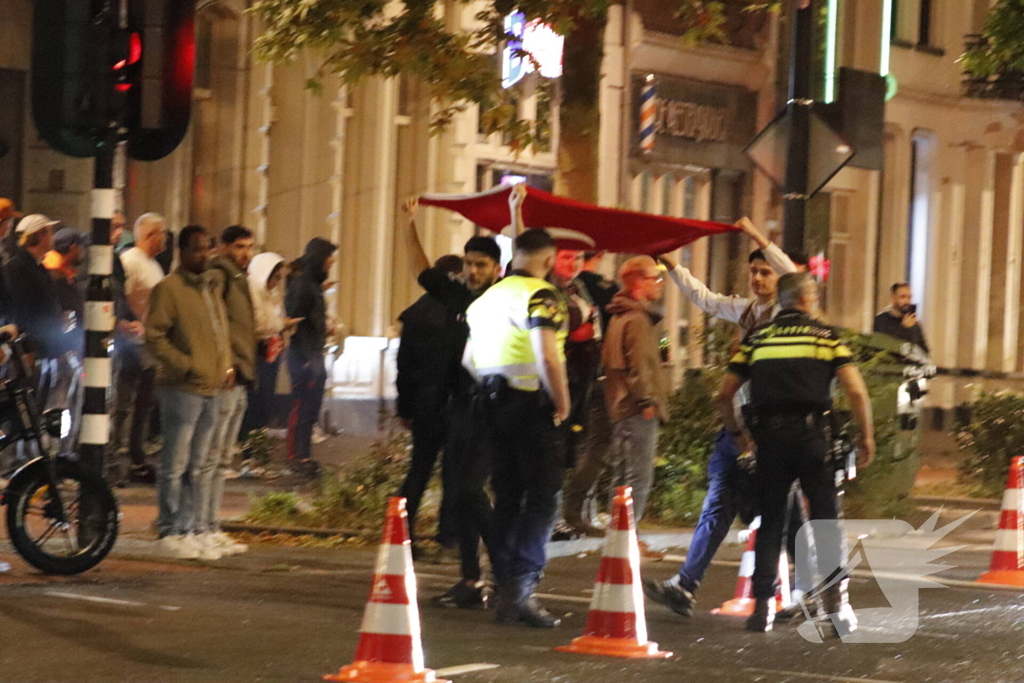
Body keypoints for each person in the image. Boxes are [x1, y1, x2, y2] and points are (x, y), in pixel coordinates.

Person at [643, 217, 797, 617]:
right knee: (717, 506)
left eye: (766, 272)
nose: (759, 278)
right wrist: (673, 266)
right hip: (737, 427)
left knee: (785, 517)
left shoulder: (785, 313)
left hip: (773, 432)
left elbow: (793, 272)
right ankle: (685, 585)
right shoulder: (745, 311)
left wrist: (757, 236)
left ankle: (799, 592)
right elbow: (706, 299)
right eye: (755, 271)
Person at [718, 272, 875, 634]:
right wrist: (866, 437)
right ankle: (837, 609)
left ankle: (761, 609)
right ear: (808, 299)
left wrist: (737, 433)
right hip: (812, 439)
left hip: (770, 441)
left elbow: (724, 393)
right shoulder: (825, 337)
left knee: (771, 522)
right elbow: (855, 391)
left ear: (782, 301)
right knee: (825, 522)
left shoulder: (758, 338)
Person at [464, 228, 569, 628]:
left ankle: (503, 584)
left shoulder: (487, 298)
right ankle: (522, 588)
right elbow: (546, 352)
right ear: (547, 260)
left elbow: (469, 359)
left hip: (492, 406)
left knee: (507, 498)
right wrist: (563, 401)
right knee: (543, 498)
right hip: (532, 408)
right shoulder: (542, 295)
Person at [415, 234, 503, 608]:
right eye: (469, 263)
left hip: (492, 409)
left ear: (497, 270)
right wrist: (410, 224)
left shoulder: (504, 299)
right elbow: (424, 272)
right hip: (457, 408)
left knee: (470, 490)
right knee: (459, 496)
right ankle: (470, 578)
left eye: (481, 264)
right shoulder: (457, 297)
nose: (472, 270)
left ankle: (507, 567)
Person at [146, 225, 233, 560]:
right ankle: (170, 527)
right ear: (181, 251)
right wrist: (186, 365)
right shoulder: (169, 289)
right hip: (181, 388)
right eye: (197, 249)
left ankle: (193, 526)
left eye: (207, 248)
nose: (204, 255)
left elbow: (219, 332)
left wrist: (223, 365)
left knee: (197, 464)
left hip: (210, 386)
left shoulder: (209, 288)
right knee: (176, 463)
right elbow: (155, 336)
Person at [396, 253, 464, 550]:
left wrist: (405, 407)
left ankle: (402, 531)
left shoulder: (415, 314)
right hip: (452, 399)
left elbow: (404, 366)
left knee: (419, 469)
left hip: (424, 401)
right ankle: (448, 534)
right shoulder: (457, 311)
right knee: (453, 470)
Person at [198, 225, 257, 557]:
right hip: (227, 376)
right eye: (238, 246)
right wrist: (225, 363)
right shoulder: (221, 275)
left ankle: (210, 524)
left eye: (249, 247)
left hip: (241, 374)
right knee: (210, 456)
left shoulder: (238, 277)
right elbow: (215, 322)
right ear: (222, 247)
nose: (245, 253)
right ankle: (199, 526)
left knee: (221, 459)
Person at [600, 256, 670, 523]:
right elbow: (640, 365)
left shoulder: (619, 316)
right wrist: (648, 401)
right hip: (637, 407)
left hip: (621, 406)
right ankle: (629, 535)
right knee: (638, 475)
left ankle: (617, 535)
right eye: (656, 278)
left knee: (623, 473)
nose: (660, 284)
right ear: (639, 282)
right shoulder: (637, 320)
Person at [113, 213, 167, 482]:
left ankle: (136, 457)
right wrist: (132, 324)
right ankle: (114, 457)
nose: (165, 238)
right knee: (123, 403)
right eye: (162, 232)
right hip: (132, 343)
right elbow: (123, 299)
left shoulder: (153, 265)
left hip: (149, 343)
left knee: (144, 404)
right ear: (149, 235)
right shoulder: (130, 262)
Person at [4, 214, 71, 414]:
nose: (53, 237)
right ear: (40, 235)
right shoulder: (17, 268)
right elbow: (21, 310)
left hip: (43, 349)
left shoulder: (38, 267)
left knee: (38, 405)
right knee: (24, 407)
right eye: (50, 232)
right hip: (29, 350)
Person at [285, 237, 337, 478]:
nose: (331, 261)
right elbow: (294, 320)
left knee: (310, 409)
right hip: (305, 356)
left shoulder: (313, 284)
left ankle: (304, 455)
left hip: (314, 353)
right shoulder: (303, 284)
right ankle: (296, 456)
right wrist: (304, 356)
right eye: (328, 256)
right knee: (302, 406)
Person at [241, 252, 294, 436]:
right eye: (275, 277)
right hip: (256, 351)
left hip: (272, 350)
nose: (278, 282)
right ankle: (248, 442)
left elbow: (276, 316)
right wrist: (281, 323)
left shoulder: (273, 292)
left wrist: (282, 324)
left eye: (280, 277)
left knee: (267, 398)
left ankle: (259, 441)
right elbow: (258, 322)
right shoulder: (252, 289)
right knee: (255, 400)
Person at [873, 282, 929, 353]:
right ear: (893, 298)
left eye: (909, 297)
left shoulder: (914, 322)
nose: (907, 301)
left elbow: (924, 348)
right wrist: (904, 328)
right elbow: (882, 345)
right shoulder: (882, 320)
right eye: (903, 297)